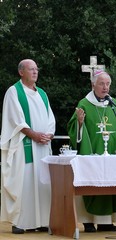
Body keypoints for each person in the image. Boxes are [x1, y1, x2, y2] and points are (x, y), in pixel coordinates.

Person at [67, 70, 116, 233]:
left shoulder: (115, 105)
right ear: (93, 85)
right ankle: (88, 221)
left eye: (108, 84)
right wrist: (79, 122)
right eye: (101, 83)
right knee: (92, 184)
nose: (105, 87)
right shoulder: (84, 104)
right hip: (93, 155)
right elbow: (74, 130)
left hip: (112, 155)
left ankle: (107, 221)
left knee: (111, 183)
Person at [0, 59, 56, 234]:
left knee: (42, 184)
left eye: (36, 69)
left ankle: (42, 221)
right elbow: (15, 119)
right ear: (21, 72)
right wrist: (34, 135)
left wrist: (49, 135)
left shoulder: (42, 94)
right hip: (24, 147)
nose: (35, 72)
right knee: (24, 183)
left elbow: (50, 118)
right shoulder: (14, 92)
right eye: (31, 69)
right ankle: (21, 222)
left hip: (42, 147)